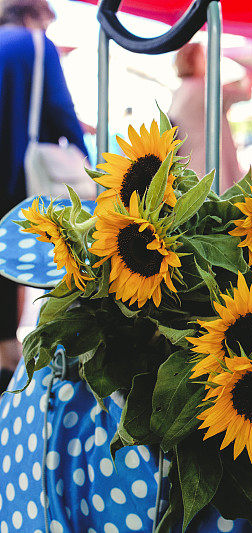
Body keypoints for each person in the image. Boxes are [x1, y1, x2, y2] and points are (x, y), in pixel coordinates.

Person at [0, 0, 87, 392]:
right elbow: (59, 109)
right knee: (9, 258)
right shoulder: (36, 45)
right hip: (14, 176)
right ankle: (6, 352)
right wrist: (85, 159)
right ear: (37, 14)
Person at [169, 42, 252, 193]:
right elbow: (244, 93)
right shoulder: (205, 88)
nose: (207, 60)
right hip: (211, 169)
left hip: (190, 170)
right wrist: (250, 69)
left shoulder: (179, 92)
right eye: (203, 56)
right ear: (194, 60)